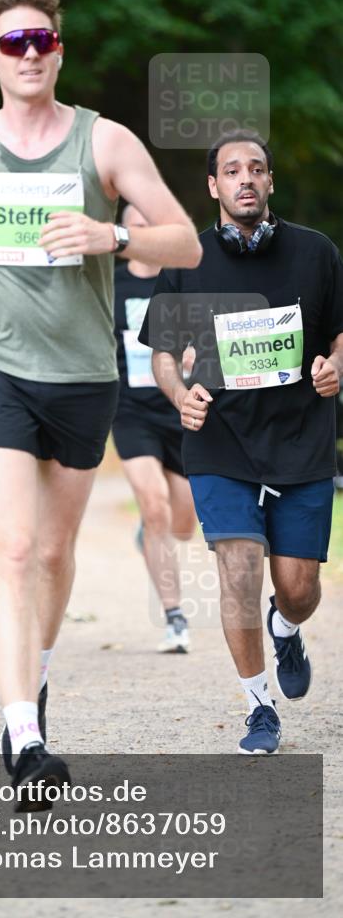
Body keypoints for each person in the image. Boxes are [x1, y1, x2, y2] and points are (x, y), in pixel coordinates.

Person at [0, 0, 201, 806]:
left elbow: (182, 234)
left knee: (50, 553)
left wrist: (110, 234)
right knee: (10, 548)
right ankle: (25, 734)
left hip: (82, 373)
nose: (29, 52)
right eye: (13, 43)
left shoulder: (103, 142)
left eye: (42, 39)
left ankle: (28, 684)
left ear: (60, 50)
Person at [140, 129, 343, 755]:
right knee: (238, 568)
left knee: (299, 585)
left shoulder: (316, 254)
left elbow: (340, 336)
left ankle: (285, 625)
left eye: (256, 169)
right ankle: (260, 706)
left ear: (270, 182)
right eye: (232, 171)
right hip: (220, 441)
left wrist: (336, 368)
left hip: (302, 438)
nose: (245, 179)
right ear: (213, 186)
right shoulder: (188, 261)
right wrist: (180, 396)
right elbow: (164, 357)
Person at [112, 205, 197, 653]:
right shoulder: (108, 284)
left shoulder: (181, 280)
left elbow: (211, 334)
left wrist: (193, 353)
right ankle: (174, 617)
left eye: (150, 225)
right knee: (154, 504)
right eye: (134, 225)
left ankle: (153, 535)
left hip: (176, 409)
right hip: (129, 410)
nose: (142, 232)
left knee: (182, 521)